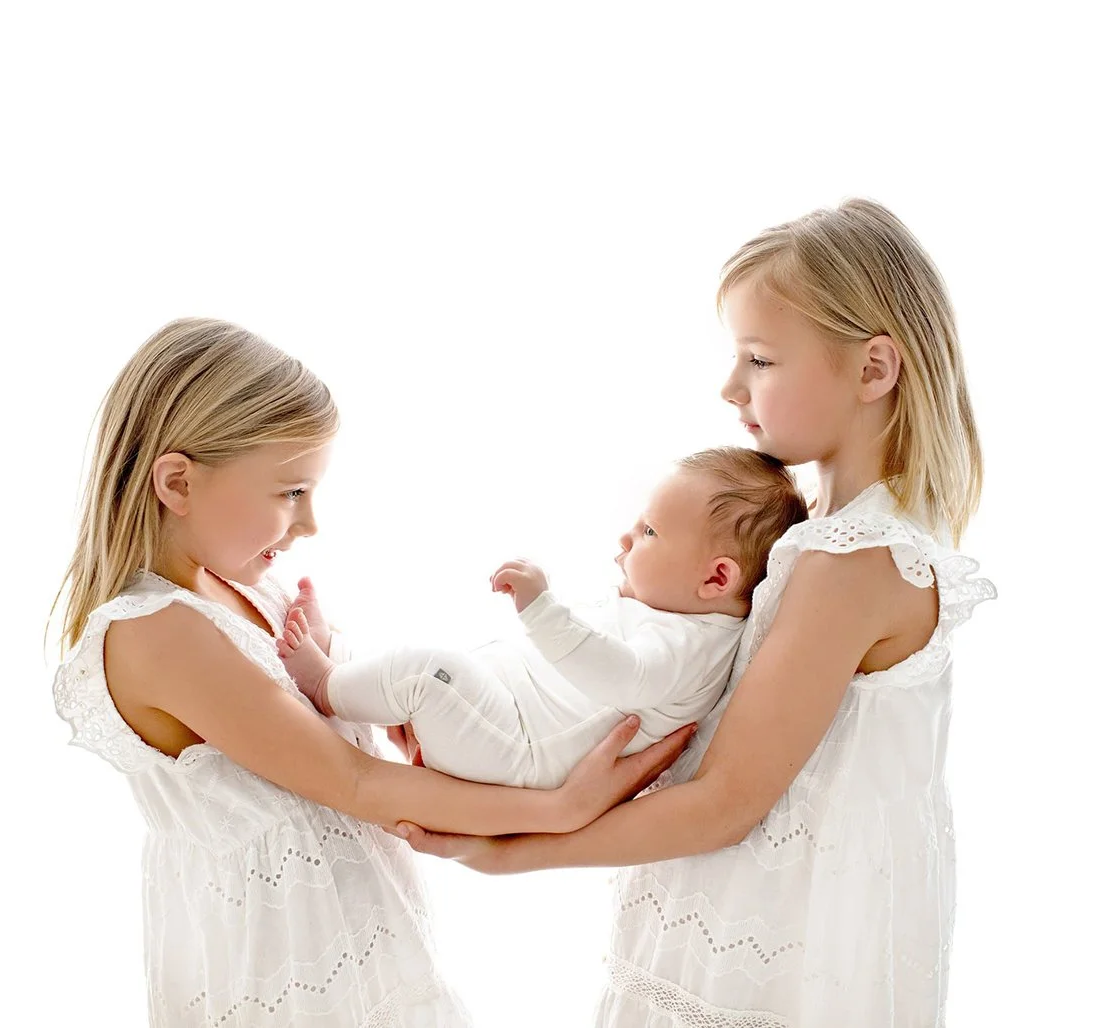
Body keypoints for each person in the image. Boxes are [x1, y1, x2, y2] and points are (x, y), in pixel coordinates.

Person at [394, 199, 997, 1026]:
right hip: (766, 915)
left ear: (872, 370)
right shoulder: (832, 534)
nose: (729, 386)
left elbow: (726, 801)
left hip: (773, 951)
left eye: (759, 358)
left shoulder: (852, 560)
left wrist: (514, 853)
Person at [49, 317, 691, 1026]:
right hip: (280, 966)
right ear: (177, 482)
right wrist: (559, 809)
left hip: (351, 935)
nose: (309, 523)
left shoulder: (244, 590)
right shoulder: (158, 632)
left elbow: (349, 741)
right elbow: (354, 783)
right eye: (290, 492)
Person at [278, 447, 807, 789]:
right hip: (505, 724)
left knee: (426, 671)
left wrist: (541, 609)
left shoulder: (689, 645)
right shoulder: (668, 615)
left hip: (518, 751)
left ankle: (326, 684)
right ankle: (342, 661)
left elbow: (619, 673)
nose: (626, 538)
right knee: (439, 668)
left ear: (716, 579)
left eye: (650, 533)